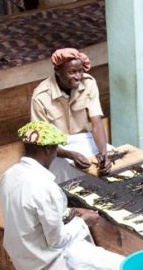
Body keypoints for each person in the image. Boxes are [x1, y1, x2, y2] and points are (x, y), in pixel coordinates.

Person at [0, 121, 126, 270]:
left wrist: (72, 212)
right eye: (55, 149)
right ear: (49, 149)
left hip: (22, 254)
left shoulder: (10, 175)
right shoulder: (45, 187)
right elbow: (56, 240)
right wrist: (83, 221)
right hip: (45, 258)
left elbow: (34, 214)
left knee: (105, 262)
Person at [31, 48, 112, 180]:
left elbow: (96, 123)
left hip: (85, 139)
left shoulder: (89, 83)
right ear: (57, 71)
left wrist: (104, 154)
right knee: (69, 174)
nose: (78, 76)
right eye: (72, 72)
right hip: (56, 148)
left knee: (109, 164)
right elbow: (42, 142)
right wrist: (71, 155)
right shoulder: (40, 96)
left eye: (80, 71)